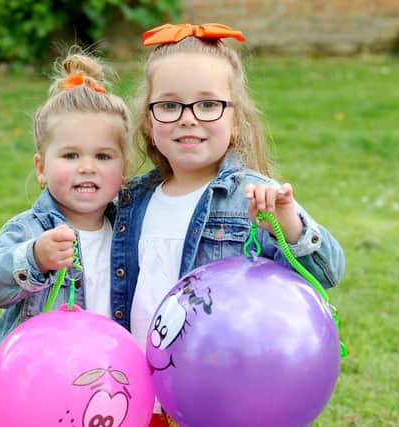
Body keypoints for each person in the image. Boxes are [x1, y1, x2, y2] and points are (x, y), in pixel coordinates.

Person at [108, 23, 346, 425]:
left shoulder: (254, 198)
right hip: (144, 394)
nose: (188, 119)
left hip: (218, 393)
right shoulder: (133, 200)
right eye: (169, 105)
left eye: (208, 104)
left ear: (235, 120)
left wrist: (287, 225)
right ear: (149, 121)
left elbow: (328, 270)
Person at [0, 49, 131, 427]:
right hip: (26, 392)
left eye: (103, 157)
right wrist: (33, 259)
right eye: (70, 155)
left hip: (99, 395)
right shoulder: (29, 230)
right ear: (41, 168)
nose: (87, 166)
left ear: (123, 171)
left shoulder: (130, 232)